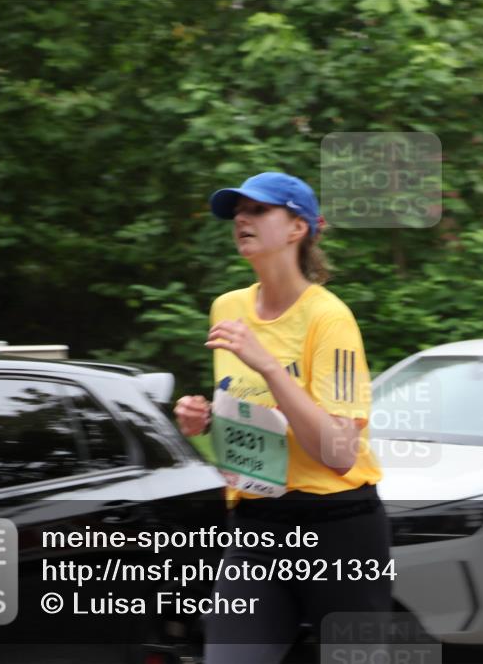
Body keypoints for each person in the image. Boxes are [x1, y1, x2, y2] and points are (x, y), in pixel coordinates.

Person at [174, 172, 392, 663]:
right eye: (237, 212)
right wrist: (208, 422)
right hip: (256, 526)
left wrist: (270, 367)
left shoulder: (329, 319)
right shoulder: (227, 308)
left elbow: (338, 454)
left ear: (297, 228)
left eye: (258, 210)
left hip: (339, 530)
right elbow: (258, 418)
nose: (241, 219)